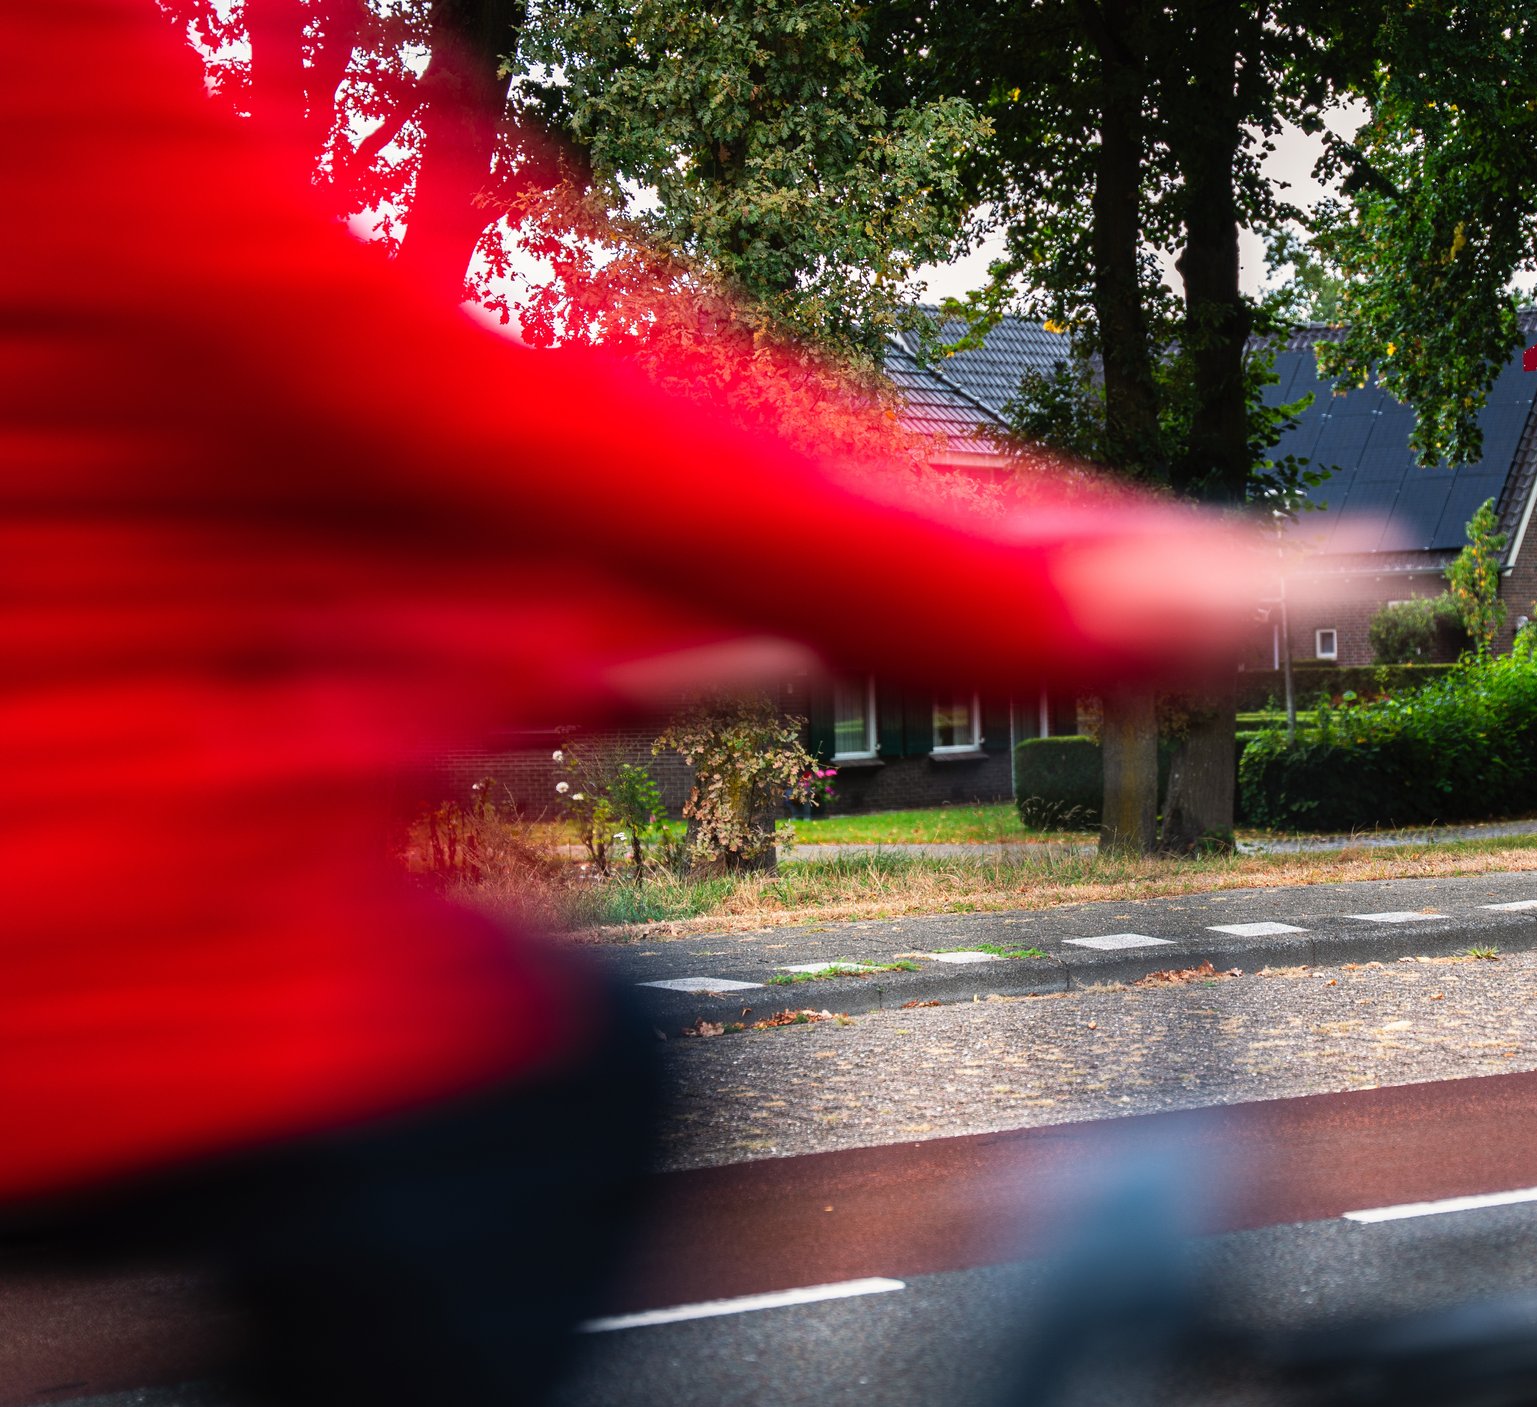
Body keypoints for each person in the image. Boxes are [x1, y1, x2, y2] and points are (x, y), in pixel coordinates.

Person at [0, 5, 1258, 1403]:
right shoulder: (63, 58)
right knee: (576, 1066)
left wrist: (608, 654)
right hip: (95, 977)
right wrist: (1064, 591)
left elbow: (219, 558)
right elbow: (456, 411)